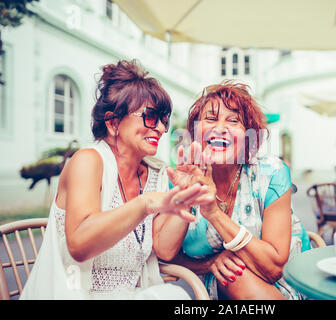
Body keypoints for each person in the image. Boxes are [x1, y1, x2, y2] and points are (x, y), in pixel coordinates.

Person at [20, 60, 212, 300]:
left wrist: (187, 196)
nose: (161, 128)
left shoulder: (156, 173)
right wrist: (144, 204)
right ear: (113, 123)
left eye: (164, 119)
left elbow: (164, 248)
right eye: (151, 117)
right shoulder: (88, 161)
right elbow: (80, 245)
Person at [167, 81, 311, 300]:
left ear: (247, 137)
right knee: (234, 274)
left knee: (235, 274)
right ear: (196, 131)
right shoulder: (182, 178)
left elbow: (274, 269)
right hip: (219, 282)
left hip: (289, 282)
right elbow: (165, 256)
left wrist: (214, 214)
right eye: (211, 118)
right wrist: (210, 263)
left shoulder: (271, 173)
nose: (220, 128)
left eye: (233, 120)